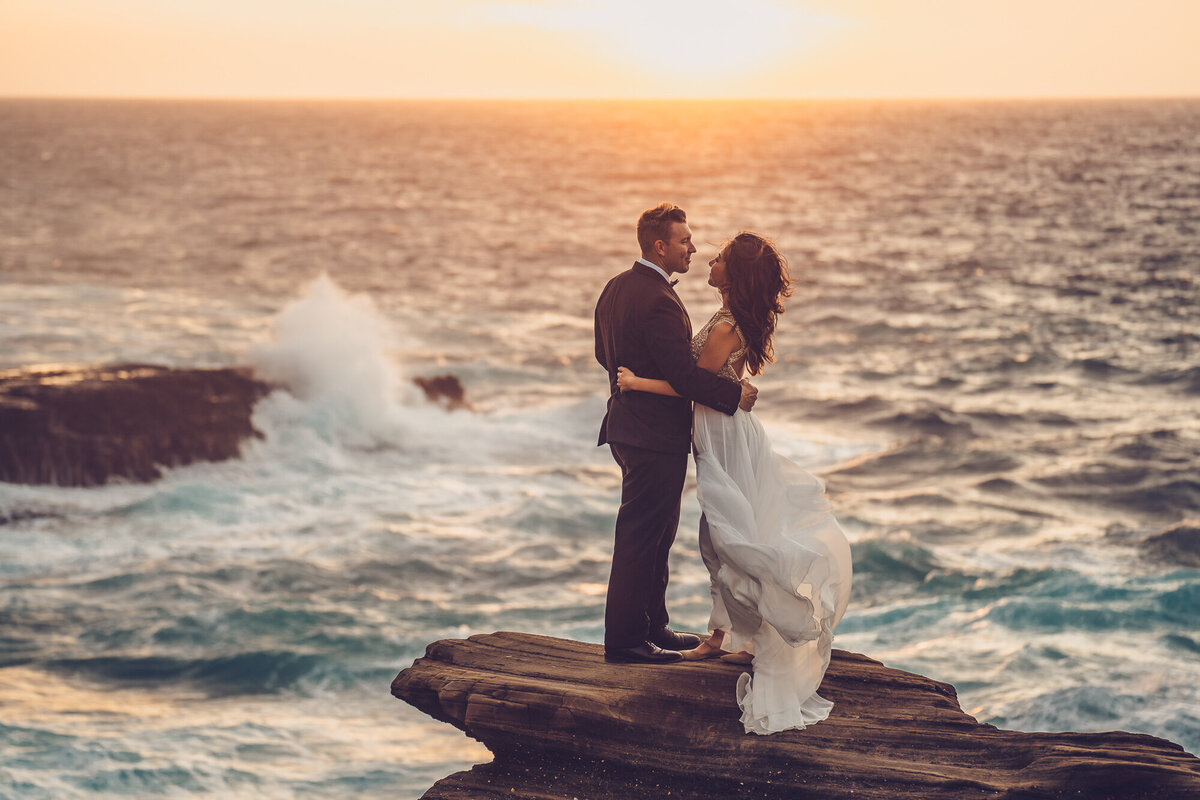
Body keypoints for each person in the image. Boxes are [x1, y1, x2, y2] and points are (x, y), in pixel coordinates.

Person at [616, 232, 853, 733]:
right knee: (724, 532)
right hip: (722, 429)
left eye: (721, 257)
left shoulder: (726, 324)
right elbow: (705, 382)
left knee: (723, 534)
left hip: (722, 434)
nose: (710, 258)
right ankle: (733, 636)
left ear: (735, 274)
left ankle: (723, 637)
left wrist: (636, 383)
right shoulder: (730, 319)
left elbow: (689, 384)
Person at [594, 203, 758, 665]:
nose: (693, 248)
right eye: (685, 241)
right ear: (659, 246)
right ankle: (626, 640)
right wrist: (734, 395)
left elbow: (602, 353)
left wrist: (634, 387)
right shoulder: (658, 300)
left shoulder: (615, 287)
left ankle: (653, 626)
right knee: (642, 534)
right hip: (652, 434)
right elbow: (685, 376)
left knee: (658, 530)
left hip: (628, 425)